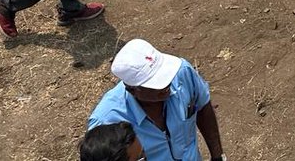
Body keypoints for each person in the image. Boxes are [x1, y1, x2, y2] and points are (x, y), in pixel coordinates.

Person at [88, 38, 226, 161]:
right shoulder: (106, 123)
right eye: (156, 84)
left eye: (165, 75)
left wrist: (218, 156)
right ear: (132, 90)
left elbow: (203, 107)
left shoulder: (181, 73)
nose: (167, 86)